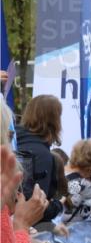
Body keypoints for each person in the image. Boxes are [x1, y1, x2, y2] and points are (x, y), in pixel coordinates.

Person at [14, 94, 64, 224]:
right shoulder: (42, 154)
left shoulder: (12, 140)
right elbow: (37, 205)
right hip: (22, 229)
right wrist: (58, 205)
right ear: (54, 120)